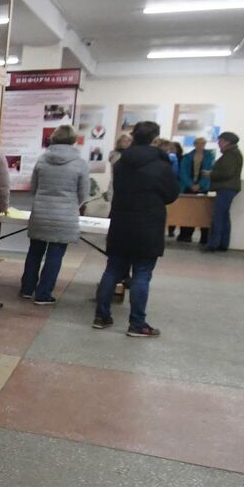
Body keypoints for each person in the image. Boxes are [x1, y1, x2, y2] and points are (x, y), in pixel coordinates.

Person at [93, 121, 179, 337]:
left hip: (121, 221)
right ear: (155, 138)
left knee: (112, 270)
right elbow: (171, 195)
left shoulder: (122, 163)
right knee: (142, 273)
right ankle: (137, 324)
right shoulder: (161, 165)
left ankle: (101, 316)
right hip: (148, 223)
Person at [21, 125, 88, 305]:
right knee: (55, 255)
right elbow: (83, 194)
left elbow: (33, 188)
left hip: (41, 212)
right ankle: (43, 294)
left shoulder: (42, 160)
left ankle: (27, 289)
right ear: (73, 140)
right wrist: (72, 205)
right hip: (65, 215)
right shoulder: (80, 163)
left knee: (34, 252)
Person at [206, 131, 243, 252]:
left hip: (226, 188)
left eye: (220, 141)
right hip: (230, 188)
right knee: (224, 216)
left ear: (227, 142)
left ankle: (214, 244)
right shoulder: (234, 153)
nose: (218, 143)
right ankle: (223, 243)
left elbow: (227, 173)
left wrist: (211, 174)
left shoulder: (230, 155)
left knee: (219, 216)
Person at [175, 136, 216, 243]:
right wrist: (190, 184)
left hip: (203, 188)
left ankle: (204, 237)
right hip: (188, 187)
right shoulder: (187, 157)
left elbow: (210, 171)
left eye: (202, 143)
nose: (200, 145)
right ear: (194, 144)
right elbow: (182, 172)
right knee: (187, 211)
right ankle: (185, 235)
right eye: (198, 143)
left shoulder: (210, 156)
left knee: (203, 212)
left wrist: (200, 185)